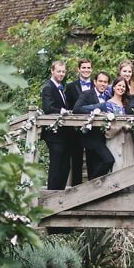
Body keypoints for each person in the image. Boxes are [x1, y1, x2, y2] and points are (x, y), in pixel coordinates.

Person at [40, 60, 79, 190]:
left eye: (63, 71)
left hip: (64, 134)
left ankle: (59, 193)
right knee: (56, 165)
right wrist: (61, 111)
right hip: (54, 134)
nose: (61, 74)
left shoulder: (61, 87)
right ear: (52, 71)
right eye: (59, 71)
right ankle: (51, 193)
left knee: (65, 165)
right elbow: (48, 107)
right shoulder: (48, 87)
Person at [71, 70, 116, 180]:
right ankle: (89, 186)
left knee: (95, 166)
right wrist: (96, 108)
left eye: (105, 82)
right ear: (95, 82)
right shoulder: (87, 94)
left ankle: (92, 190)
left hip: (103, 136)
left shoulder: (109, 96)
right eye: (100, 81)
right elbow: (76, 109)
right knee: (109, 159)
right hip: (90, 137)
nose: (102, 84)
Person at [64, 58, 97, 185]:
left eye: (88, 68)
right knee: (76, 160)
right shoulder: (71, 87)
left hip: (94, 129)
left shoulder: (97, 85)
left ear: (92, 69)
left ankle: (93, 189)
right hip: (75, 130)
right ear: (78, 69)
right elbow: (68, 107)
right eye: (83, 68)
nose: (86, 70)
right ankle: (75, 189)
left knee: (93, 159)